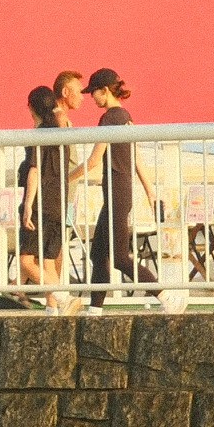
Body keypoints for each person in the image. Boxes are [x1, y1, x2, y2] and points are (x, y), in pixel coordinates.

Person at [85, 68, 145, 302]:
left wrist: (67, 177)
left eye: (94, 93)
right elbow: (136, 156)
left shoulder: (109, 118)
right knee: (98, 254)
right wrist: (149, 190)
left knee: (119, 258)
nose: (92, 98)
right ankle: (95, 309)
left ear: (105, 90)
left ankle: (165, 294)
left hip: (116, 192)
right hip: (120, 191)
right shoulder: (126, 116)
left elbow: (93, 160)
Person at [12, 85, 69, 309]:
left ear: (31, 107)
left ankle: (65, 298)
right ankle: (53, 309)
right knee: (48, 263)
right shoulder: (61, 133)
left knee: (26, 260)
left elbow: (34, 170)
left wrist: (27, 204)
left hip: (41, 203)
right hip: (58, 202)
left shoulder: (40, 134)